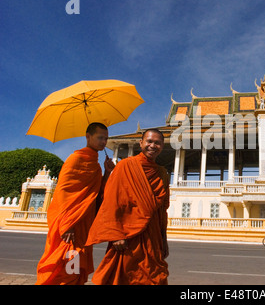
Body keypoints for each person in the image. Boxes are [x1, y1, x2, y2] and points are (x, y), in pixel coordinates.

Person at [86, 128, 170, 285]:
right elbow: (112, 201)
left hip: (153, 238)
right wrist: (116, 234)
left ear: (162, 146)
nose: (153, 146)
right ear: (141, 143)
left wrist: (164, 239)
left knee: (155, 278)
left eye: (157, 143)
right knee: (124, 278)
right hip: (127, 236)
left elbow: (162, 211)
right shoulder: (125, 166)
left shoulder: (162, 173)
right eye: (149, 141)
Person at [36, 122, 115, 285]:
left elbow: (97, 194)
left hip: (84, 223)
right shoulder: (75, 159)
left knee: (77, 265)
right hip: (70, 224)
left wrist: (107, 172)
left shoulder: (96, 165)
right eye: (100, 137)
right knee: (67, 263)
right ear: (88, 137)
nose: (103, 142)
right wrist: (67, 224)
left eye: (106, 139)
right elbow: (63, 192)